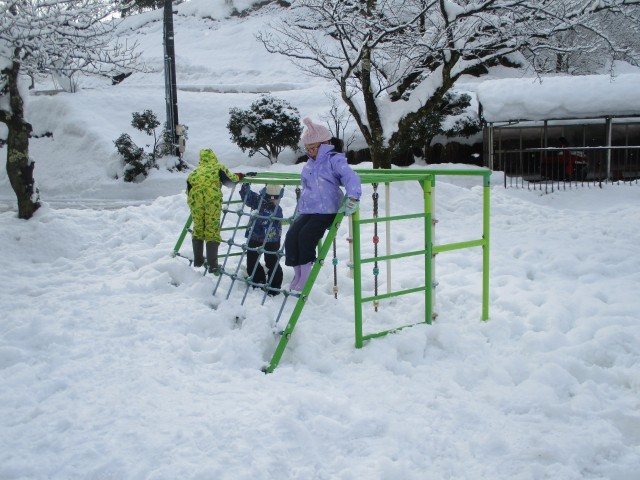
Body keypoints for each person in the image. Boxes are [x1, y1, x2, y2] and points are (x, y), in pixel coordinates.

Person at [284, 117, 362, 292]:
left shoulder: (334, 160)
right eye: (307, 149)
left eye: (313, 148)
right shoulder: (309, 164)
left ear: (325, 144)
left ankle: (305, 277)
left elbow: (351, 177)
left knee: (305, 236)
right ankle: (298, 275)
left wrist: (353, 197)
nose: (310, 152)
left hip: (327, 210)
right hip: (309, 209)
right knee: (291, 236)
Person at [186, 148, 246, 273]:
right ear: (213, 157)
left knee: (198, 227)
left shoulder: (194, 172)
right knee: (211, 229)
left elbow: (188, 191)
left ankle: (198, 260)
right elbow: (230, 182)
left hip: (195, 201)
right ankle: (213, 265)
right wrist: (239, 176)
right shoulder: (217, 167)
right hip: (211, 201)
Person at [239, 183, 284, 295]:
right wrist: (245, 185)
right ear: (268, 196)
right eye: (274, 198)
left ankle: (274, 286)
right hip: (255, 237)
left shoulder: (277, 209)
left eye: (277, 199)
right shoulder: (258, 201)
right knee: (251, 260)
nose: (276, 201)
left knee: (272, 261)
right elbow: (247, 196)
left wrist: (269, 206)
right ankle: (258, 280)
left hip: (272, 239)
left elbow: (273, 219)